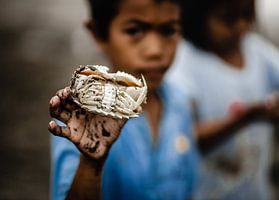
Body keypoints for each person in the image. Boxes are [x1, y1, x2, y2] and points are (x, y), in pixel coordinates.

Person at [48, 0, 201, 199]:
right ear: (98, 34)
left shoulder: (181, 102)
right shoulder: (82, 116)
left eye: (168, 31)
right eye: (135, 31)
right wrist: (90, 163)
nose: (155, 50)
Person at [166, 0, 279, 199]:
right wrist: (244, 118)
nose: (241, 26)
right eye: (228, 18)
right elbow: (186, 138)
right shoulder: (183, 63)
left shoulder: (256, 51)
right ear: (196, 16)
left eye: (247, 17)